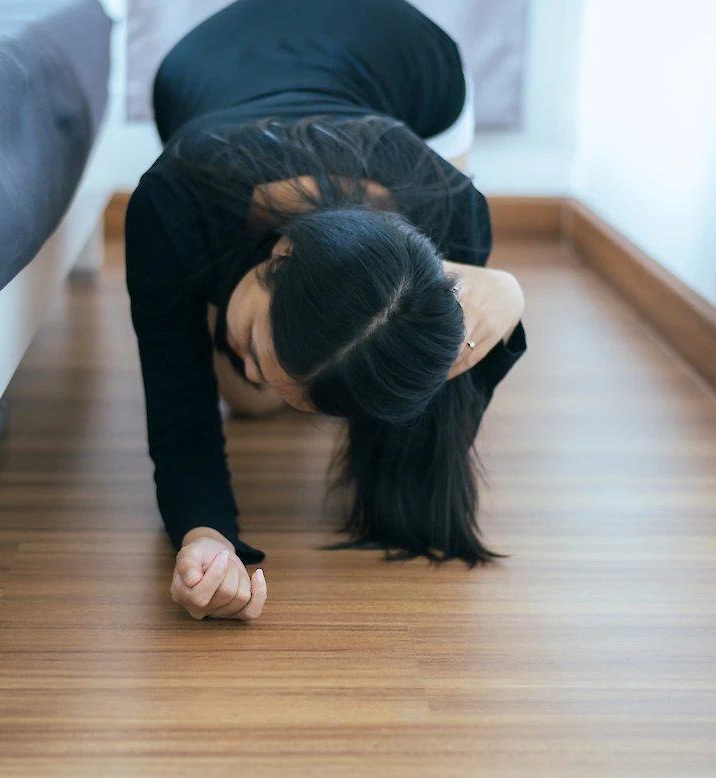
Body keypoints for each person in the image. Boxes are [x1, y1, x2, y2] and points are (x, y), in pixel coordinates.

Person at [125, 0, 527, 622]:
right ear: (280, 253)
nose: (250, 370)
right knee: (252, 403)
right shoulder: (171, 200)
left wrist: (504, 295)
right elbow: (181, 418)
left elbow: (438, 388)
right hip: (227, 59)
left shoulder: (452, 205)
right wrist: (205, 533)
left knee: (361, 354)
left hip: (398, 72)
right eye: (255, 345)